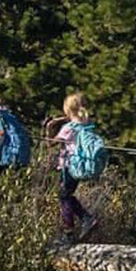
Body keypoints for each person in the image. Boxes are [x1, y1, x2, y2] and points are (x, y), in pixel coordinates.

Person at [44, 94, 98, 242]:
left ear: (68, 109)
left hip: (68, 166)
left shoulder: (68, 128)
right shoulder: (87, 125)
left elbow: (50, 143)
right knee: (66, 194)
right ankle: (86, 218)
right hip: (81, 165)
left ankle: (70, 232)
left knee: (64, 196)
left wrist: (49, 127)